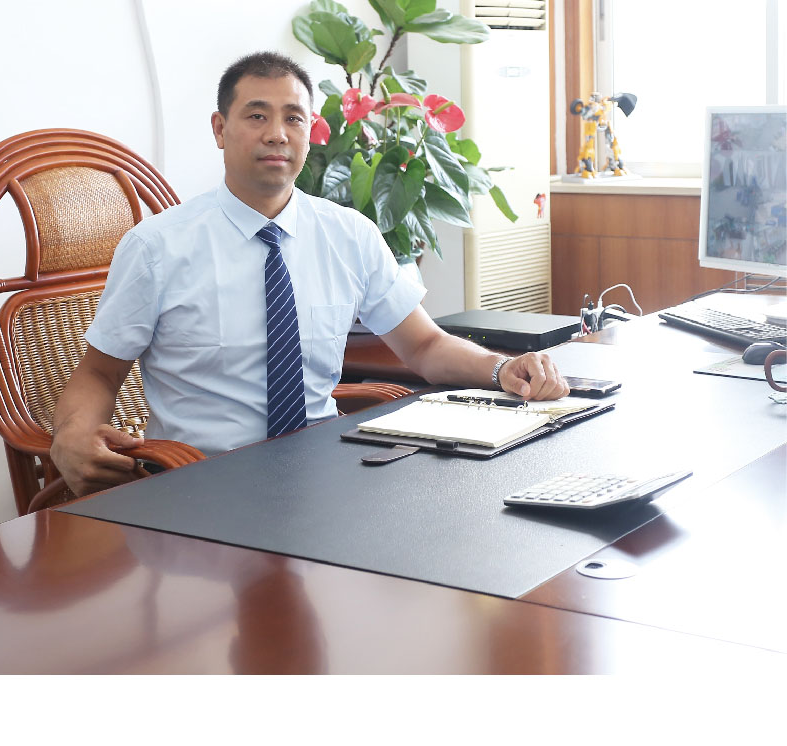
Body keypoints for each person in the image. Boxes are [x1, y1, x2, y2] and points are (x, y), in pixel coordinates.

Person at [50, 51, 568, 495]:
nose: (277, 134)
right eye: (257, 116)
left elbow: (425, 346)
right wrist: (71, 434)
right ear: (220, 129)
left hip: (325, 475)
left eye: (294, 119)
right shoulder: (158, 247)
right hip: (201, 480)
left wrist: (503, 369)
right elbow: (99, 374)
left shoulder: (349, 234)